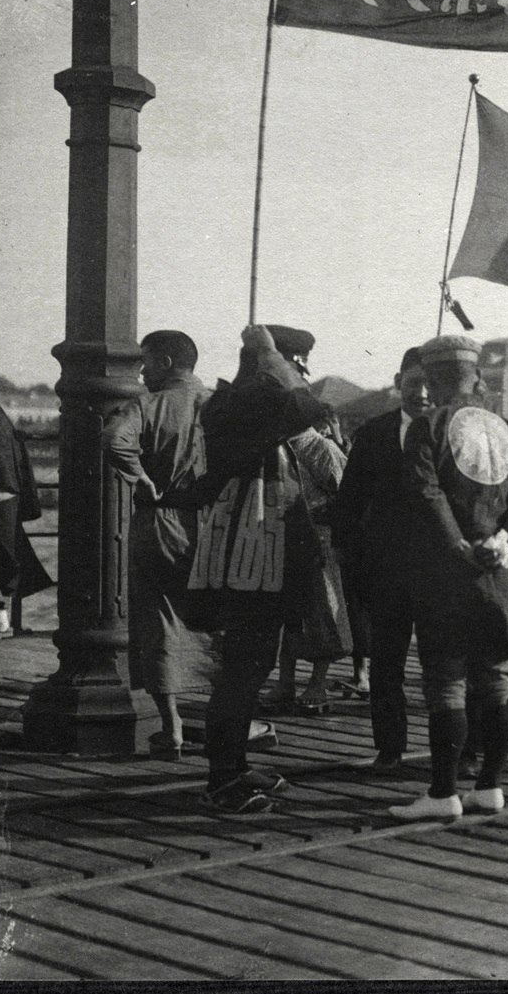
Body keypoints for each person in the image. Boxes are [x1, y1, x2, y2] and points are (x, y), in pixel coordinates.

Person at [388, 336, 508, 820]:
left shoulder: (427, 427)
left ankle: (442, 793)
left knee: (446, 681)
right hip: (500, 571)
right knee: (497, 678)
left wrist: (458, 544)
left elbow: (424, 490)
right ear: (476, 377)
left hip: (445, 571)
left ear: (432, 379)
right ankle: (490, 786)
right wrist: (503, 541)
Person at [190, 324, 331, 814]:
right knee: (243, 668)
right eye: (297, 363)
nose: (300, 373)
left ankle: (233, 766)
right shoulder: (247, 403)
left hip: (257, 551)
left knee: (251, 666)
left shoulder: (240, 402)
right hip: (250, 556)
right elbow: (309, 408)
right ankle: (223, 780)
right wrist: (272, 358)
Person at [102, 330, 216, 757]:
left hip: (160, 521)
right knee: (218, 617)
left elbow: (114, 440)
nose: (142, 371)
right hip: (214, 521)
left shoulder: (148, 404)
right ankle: (232, 718)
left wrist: (143, 478)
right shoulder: (217, 404)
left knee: (158, 622)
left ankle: (173, 729)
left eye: (146, 362)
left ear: (166, 362)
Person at [330, 346, 430, 771]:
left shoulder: (454, 430)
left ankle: (461, 753)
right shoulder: (374, 434)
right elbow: (349, 503)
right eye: (413, 383)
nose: (422, 393)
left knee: (445, 668)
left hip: (438, 572)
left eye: (429, 384)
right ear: (398, 381)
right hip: (387, 571)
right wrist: (352, 562)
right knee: (386, 665)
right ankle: (389, 750)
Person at [256, 330, 351, 718]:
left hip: (319, 539)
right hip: (281, 535)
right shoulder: (271, 446)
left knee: (323, 612)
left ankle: (317, 682)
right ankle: (285, 681)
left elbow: (347, 496)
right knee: (286, 613)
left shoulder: (319, 448)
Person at [0, 401, 54, 637]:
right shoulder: (0, 416)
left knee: (5, 558)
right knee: (7, 556)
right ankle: (2, 618)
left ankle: (1, 617)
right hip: (6, 493)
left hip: (1, 494)